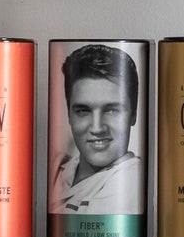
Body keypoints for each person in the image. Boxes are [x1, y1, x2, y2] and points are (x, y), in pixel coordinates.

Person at [52, 44, 141, 221]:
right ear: (69, 114)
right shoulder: (60, 167)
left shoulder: (131, 179)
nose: (97, 128)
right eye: (83, 111)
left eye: (112, 110)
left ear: (134, 114)